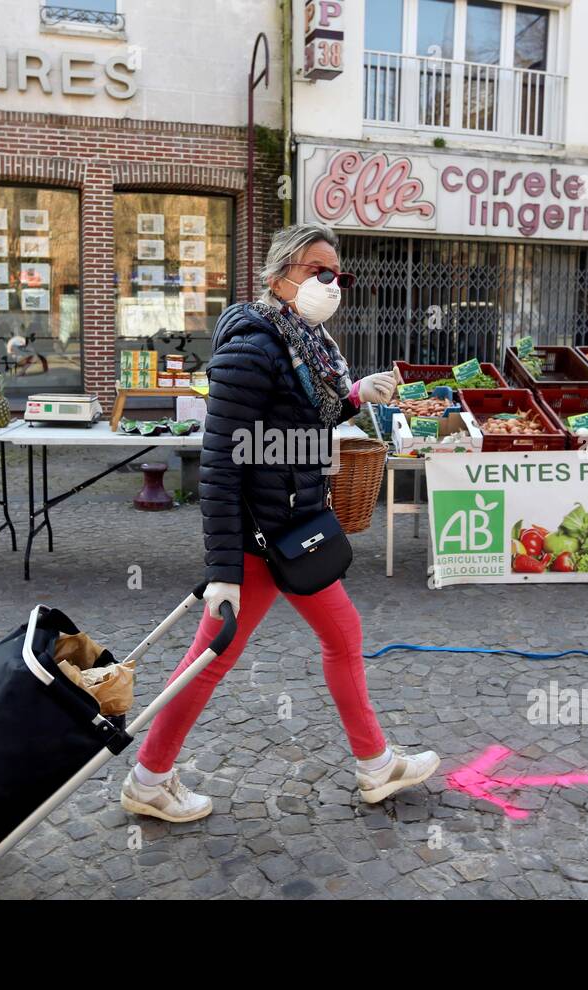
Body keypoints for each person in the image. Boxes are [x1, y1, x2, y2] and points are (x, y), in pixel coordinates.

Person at [121, 221, 440, 823]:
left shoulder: (305, 343)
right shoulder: (254, 343)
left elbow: (291, 424)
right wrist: (222, 570)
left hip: (286, 522)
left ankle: (374, 763)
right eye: (318, 272)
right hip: (260, 534)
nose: (331, 283)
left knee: (328, 638)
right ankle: (150, 777)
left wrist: (353, 398)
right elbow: (220, 457)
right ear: (277, 278)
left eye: (337, 274)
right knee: (217, 658)